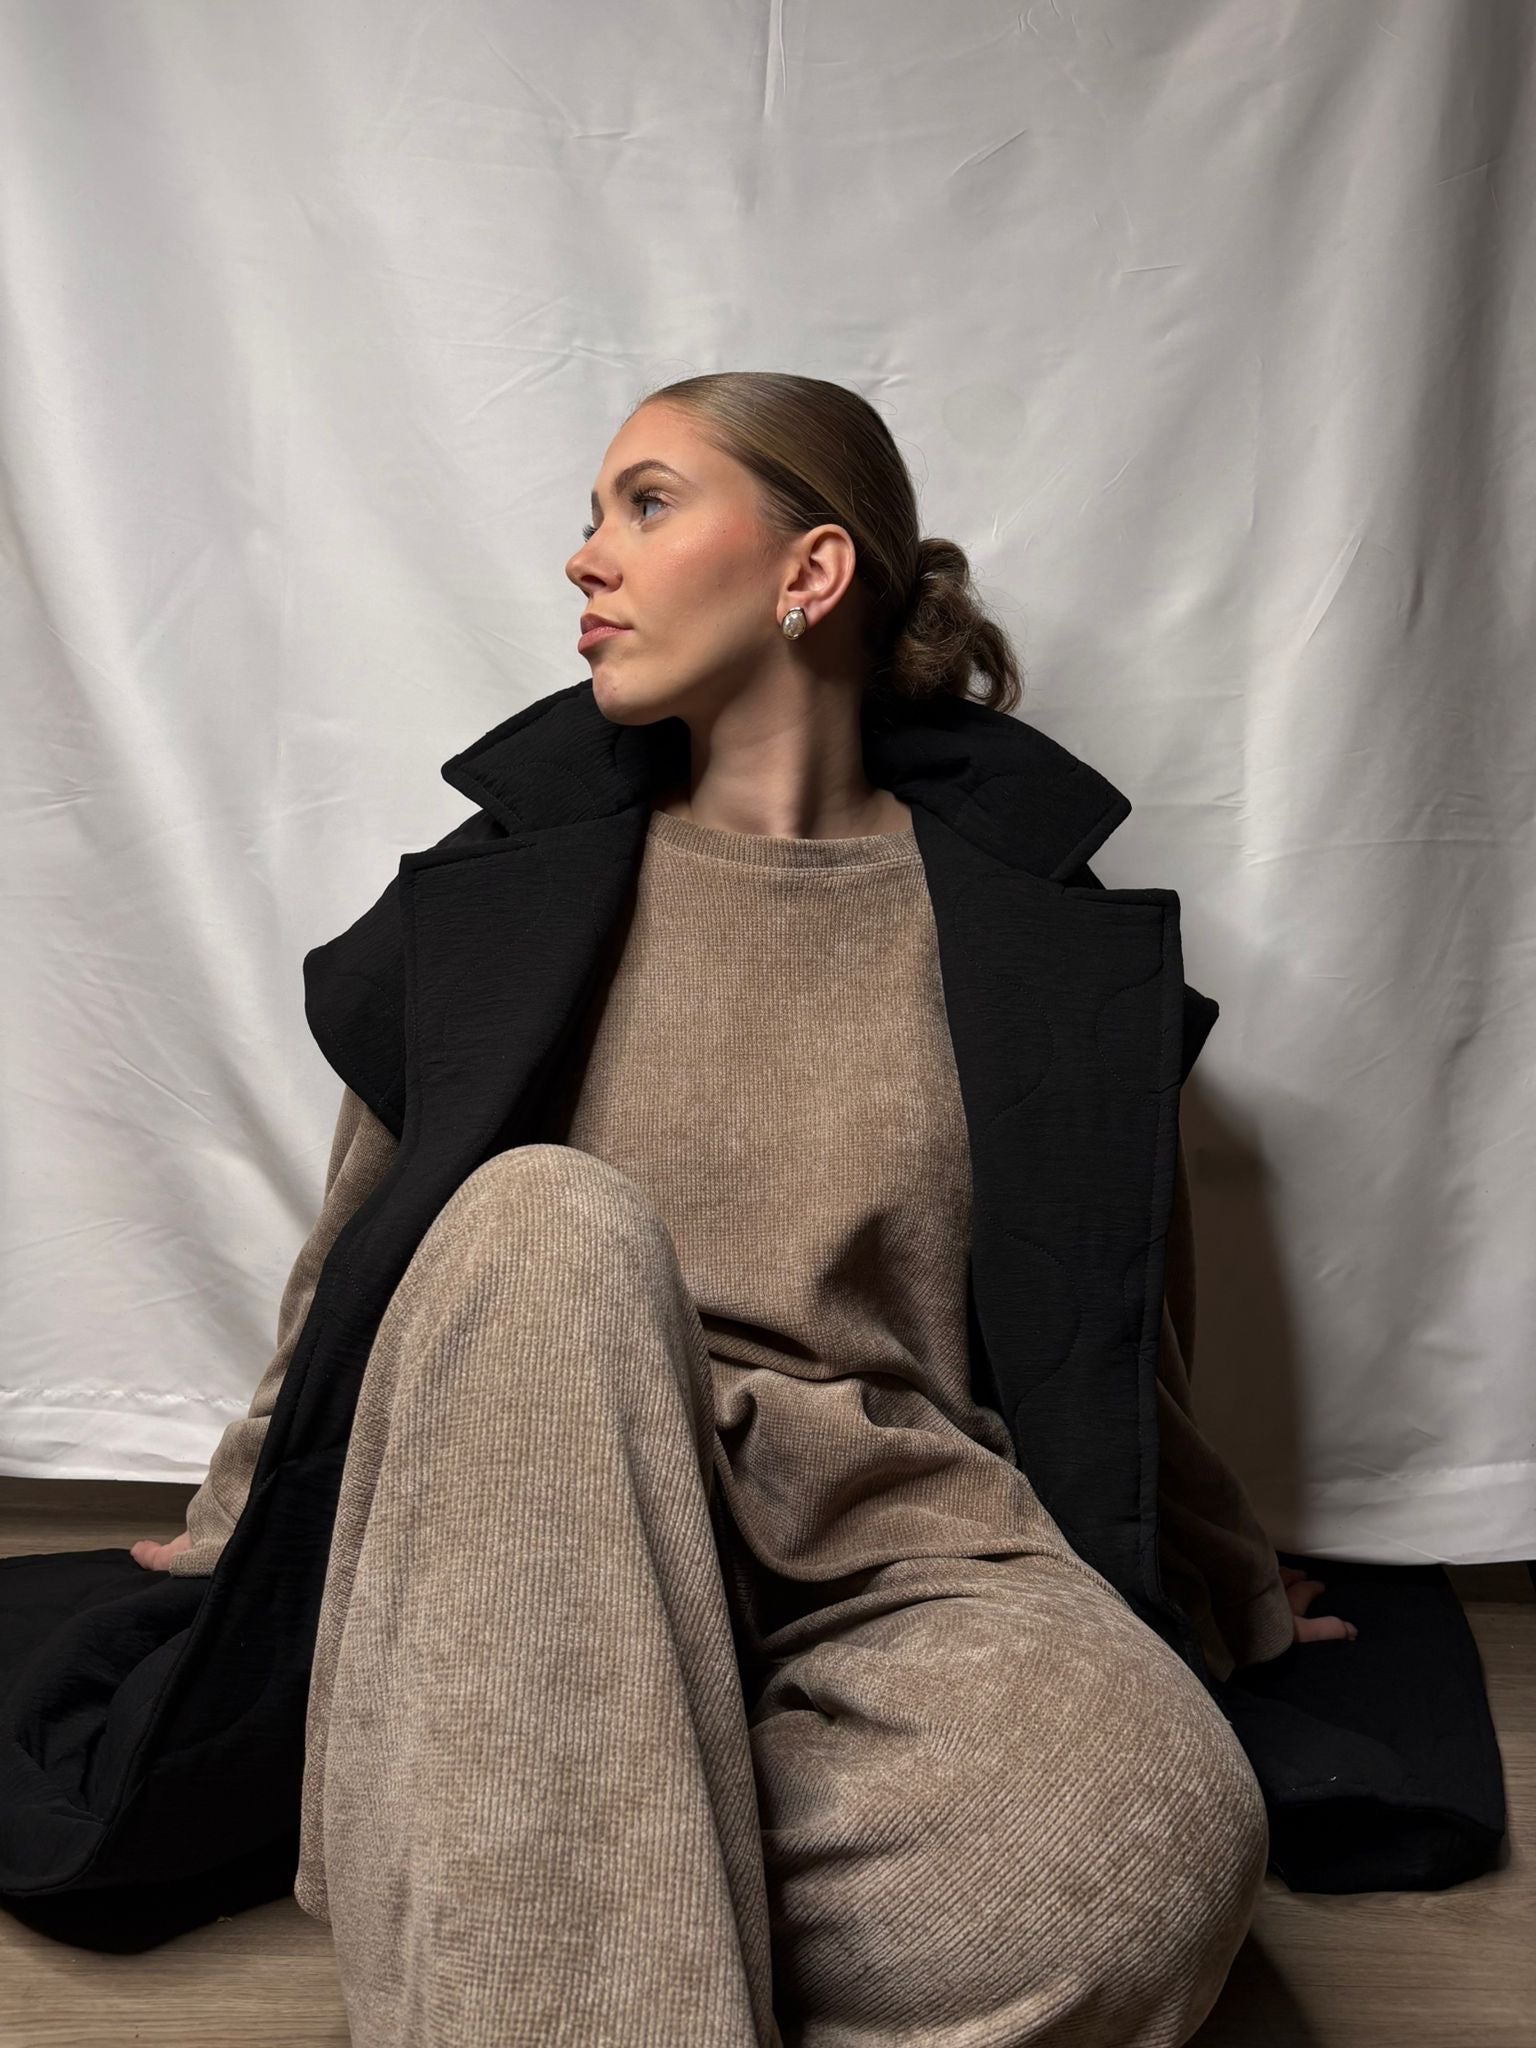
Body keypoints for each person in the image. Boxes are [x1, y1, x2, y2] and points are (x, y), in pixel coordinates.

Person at [132, 372, 1354, 2046]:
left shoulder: (1030, 936)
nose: (586, 556)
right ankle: (560, 1860)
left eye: (645, 503)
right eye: (592, 516)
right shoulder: (506, 894)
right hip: (533, 1510)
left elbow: (1111, 1319)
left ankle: (536, 1870)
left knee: (1150, 1837)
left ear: (811, 571)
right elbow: (358, 1254)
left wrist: (1230, 1571)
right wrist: (235, 1524)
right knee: (546, 1222)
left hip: (888, 1537)